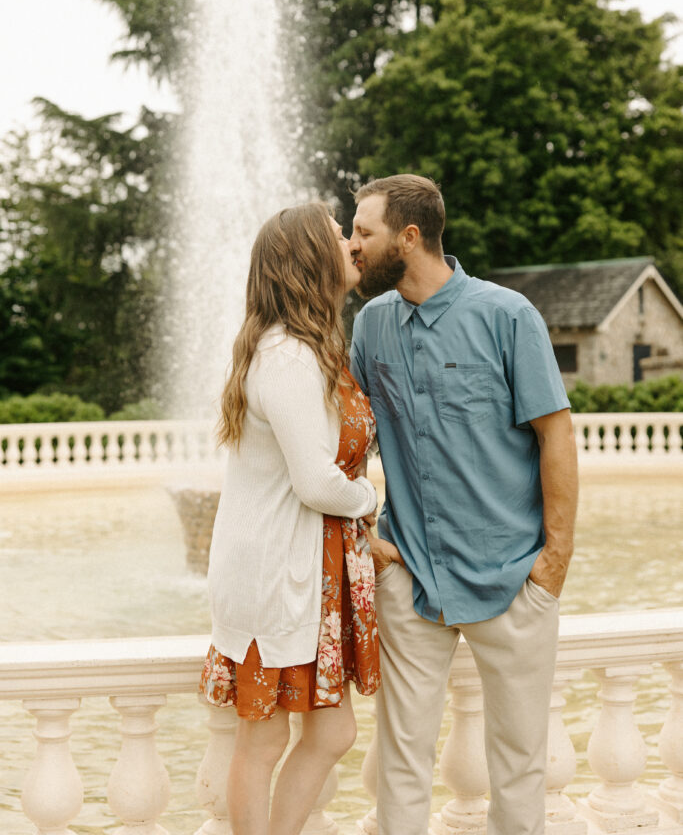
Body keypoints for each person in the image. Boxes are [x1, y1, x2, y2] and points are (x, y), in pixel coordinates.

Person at [349, 174, 578, 835]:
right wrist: (370, 539)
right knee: (399, 759)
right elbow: (353, 438)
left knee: (517, 765)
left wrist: (552, 560)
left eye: (364, 231)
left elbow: (554, 432)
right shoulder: (370, 326)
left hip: (512, 575)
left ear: (409, 236)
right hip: (411, 573)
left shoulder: (506, 316)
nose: (353, 245)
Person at [199, 202, 380, 835]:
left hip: (301, 570)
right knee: (265, 738)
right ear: (308, 259)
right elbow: (316, 483)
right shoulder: (288, 358)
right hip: (274, 575)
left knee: (333, 731)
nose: (350, 245)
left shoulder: (304, 348)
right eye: (338, 236)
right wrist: (372, 502)